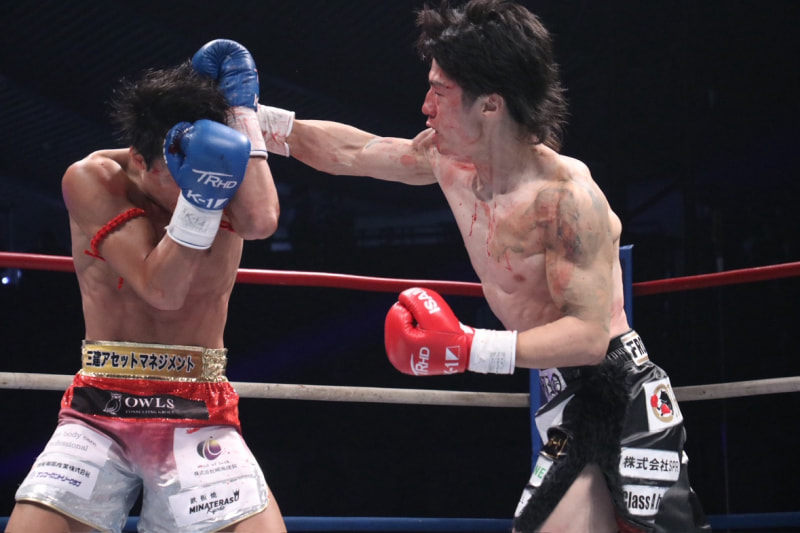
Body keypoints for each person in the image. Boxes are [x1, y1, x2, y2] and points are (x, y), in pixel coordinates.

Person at [252, 0, 710, 531]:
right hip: (562, 392)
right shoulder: (449, 161)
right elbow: (355, 152)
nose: (425, 106)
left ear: (490, 104)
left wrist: (469, 347)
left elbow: (588, 337)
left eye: (440, 91)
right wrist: (253, 120)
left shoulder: (564, 200)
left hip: (618, 394)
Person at [5, 40, 287, 533]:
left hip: (198, 406)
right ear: (139, 159)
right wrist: (202, 199)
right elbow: (161, 290)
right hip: (101, 407)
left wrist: (242, 115)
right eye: (178, 176)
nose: (192, 186)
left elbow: (261, 221)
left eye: (202, 176)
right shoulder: (94, 180)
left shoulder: (226, 170)